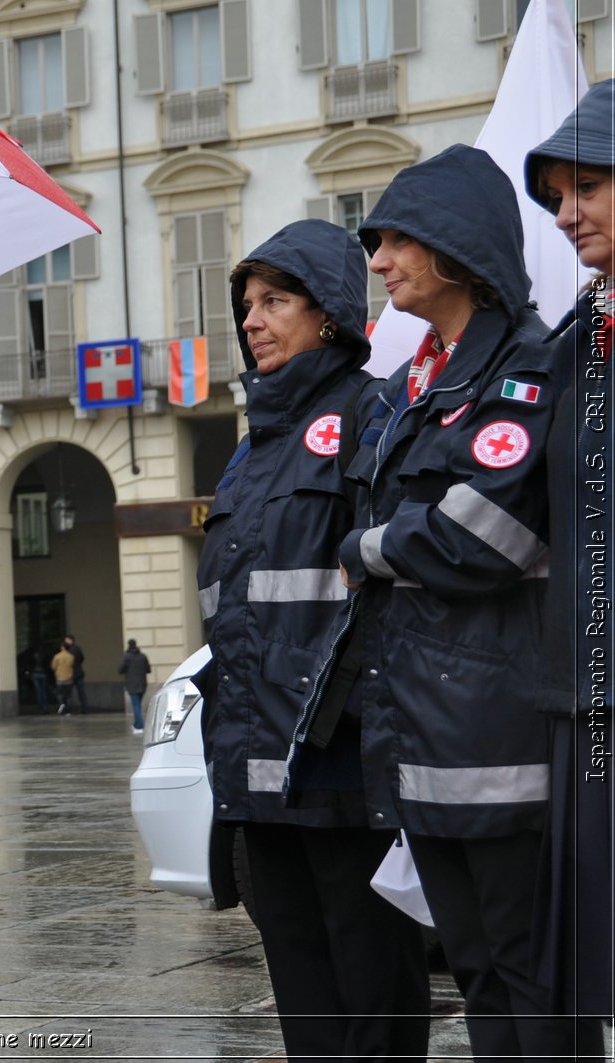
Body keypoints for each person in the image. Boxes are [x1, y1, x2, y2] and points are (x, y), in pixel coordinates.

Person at [343, 145, 567, 1059]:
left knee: (529, 976)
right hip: (423, 730)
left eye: (395, 239)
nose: (380, 260)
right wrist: (394, 545)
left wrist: (370, 548)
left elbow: (481, 538)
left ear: (453, 246)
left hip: (496, 733)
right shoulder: (411, 386)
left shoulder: (527, 369)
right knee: (474, 969)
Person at [197, 219, 429, 1061]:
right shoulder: (250, 448)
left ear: (329, 312)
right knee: (301, 987)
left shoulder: (375, 414)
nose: (252, 320)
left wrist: (354, 719)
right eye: (246, 304)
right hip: (257, 762)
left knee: (373, 985)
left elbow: (392, 583)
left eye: (275, 301)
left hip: (341, 758)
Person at [524, 80, 615, 1052]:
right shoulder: (576, 337)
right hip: (582, 692)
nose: (565, 214)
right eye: (555, 195)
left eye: (586, 185)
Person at [117, 639, 151, 735]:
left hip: (132, 684)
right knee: (137, 705)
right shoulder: (143, 656)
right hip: (142, 684)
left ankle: (139, 726)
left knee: (136, 706)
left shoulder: (126, 657)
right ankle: (136, 724)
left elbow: (120, 670)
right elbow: (148, 670)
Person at [49, 639, 79, 715]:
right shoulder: (71, 656)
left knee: (60, 694)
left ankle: (61, 705)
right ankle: (68, 710)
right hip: (69, 678)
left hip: (60, 678)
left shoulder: (57, 656)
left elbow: (53, 667)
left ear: (62, 647)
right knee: (68, 695)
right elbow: (72, 665)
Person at [19, 642, 50, 713]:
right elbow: (47, 664)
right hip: (43, 674)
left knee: (38, 692)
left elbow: (29, 664)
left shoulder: (33, 655)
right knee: (44, 691)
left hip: (35, 674)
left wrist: (29, 672)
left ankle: (41, 708)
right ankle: (45, 707)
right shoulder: (44, 655)